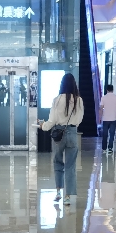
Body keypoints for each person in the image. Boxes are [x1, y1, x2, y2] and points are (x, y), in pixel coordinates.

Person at [40, 73, 83, 205]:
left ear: (62, 84)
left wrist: (43, 126)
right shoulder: (79, 100)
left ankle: (58, 192)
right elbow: (79, 120)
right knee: (70, 165)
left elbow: (52, 121)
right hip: (72, 133)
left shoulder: (57, 100)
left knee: (58, 162)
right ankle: (67, 197)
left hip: (58, 134)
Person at [99, 84, 116, 154]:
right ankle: (110, 148)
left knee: (105, 134)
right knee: (112, 134)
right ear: (113, 89)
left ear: (107, 90)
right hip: (113, 118)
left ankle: (104, 148)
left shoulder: (103, 98)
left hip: (105, 118)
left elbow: (101, 108)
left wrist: (100, 117)